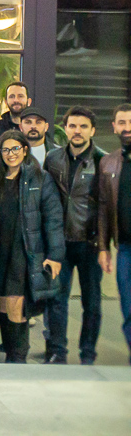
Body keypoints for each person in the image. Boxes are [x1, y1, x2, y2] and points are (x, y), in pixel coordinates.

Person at [0, 129, 65, 363]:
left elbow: (53, 219)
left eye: (15, 148)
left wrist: (55, 254)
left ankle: (18, 356)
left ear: (25, 150)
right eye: (6, 149)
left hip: (24, 250)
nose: (11, 154)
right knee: (3, 303)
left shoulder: (40, 178)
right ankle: (10, 351)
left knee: (17, 302)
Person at [42, 105, 104, 364]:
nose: (77, 131)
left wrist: (104, 243)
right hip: (59, 241)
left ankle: (87, 353)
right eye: (72, 126)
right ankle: (57, 351)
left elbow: (106, 204)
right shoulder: (53, 158)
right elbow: (46, 198)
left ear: (92, 130)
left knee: (92, 302)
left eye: (83, 126)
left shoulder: (103, 161)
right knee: (56, 298)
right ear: (65, 128)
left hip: (90, 241)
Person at [96, 103, 131, 365]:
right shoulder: (108, 162)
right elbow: (104, 207)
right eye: (122, 123)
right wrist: (103, 247)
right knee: (128, 306)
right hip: (126, 248)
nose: (127, 128)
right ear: (114, 127)